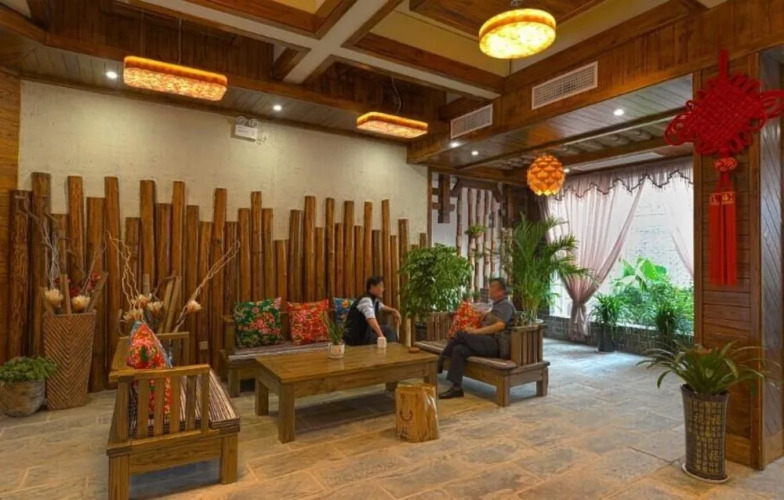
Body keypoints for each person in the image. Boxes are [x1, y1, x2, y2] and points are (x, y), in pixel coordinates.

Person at [438, 277, 516, 399]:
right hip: (489, 341)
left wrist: (476, 331)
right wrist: (485, 315)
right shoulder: (498, 305)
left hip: (497, 345)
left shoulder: (506, 305)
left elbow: (500, 325)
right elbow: (495, 319)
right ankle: (456, 388)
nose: (489, 289)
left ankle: (441, 359)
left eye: (492, 287)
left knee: (461, 334)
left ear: (501, 291)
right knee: (459, 349)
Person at [344, 276, 402, 345]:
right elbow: (371, 319)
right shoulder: (366, 300)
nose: (383, 289)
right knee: (388, 333)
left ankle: (392, 350)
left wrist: (394, 311)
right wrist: (381, 337)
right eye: (381, 286)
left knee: (389, 330)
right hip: (356, 338)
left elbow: (382, 306)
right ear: (372, 286)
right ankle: (392, 350)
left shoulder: (374, 300)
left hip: (365, 334)